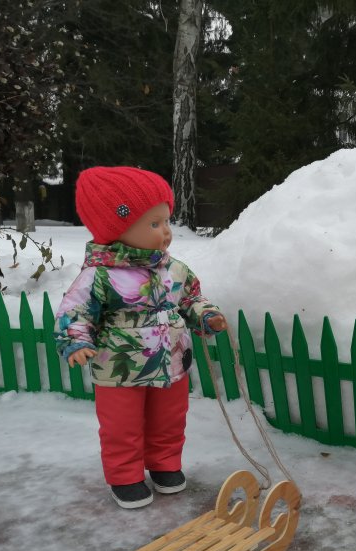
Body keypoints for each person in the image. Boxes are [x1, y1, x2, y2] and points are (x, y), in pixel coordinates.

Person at [53, 166, 227, 509]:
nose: (166, 232)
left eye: (166, 222)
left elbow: (190, 297)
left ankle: (165, 465)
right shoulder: (99, 275)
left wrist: (206, 315)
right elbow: (75, 311)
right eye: (154, 224)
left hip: (172, 362)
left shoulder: (174, 269)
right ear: (118, 227)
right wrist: (77, 341)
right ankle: (125, 476)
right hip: (119, 368)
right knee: (122, 427)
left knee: (170, 420)